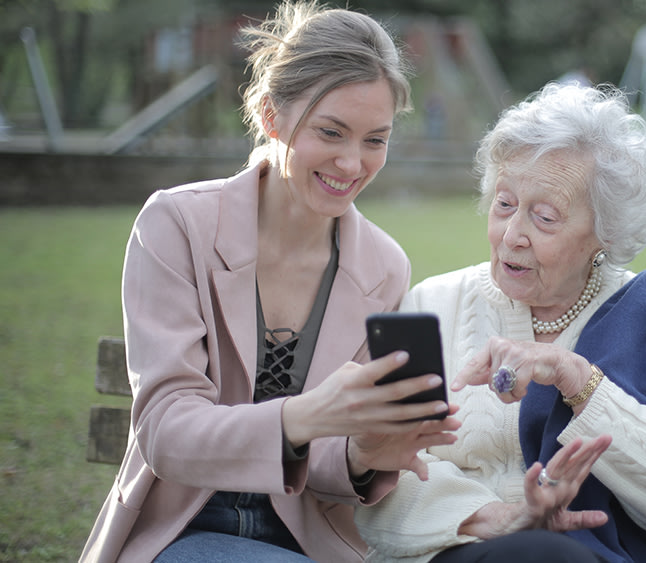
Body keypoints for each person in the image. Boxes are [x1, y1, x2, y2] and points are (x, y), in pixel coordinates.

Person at [81, 3, 459, 561]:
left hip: (309, 541)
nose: (352, 163)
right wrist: (307, 415)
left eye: (375, 140)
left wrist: (365, 450)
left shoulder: (384, 265)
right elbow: (164, 431)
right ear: (269, 115)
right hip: (180, 529)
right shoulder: (176, 225)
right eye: (331, 131)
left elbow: (329, 470)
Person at [355, 83, 646, 562]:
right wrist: (493, 519)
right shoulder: (433, 303)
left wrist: (577, 378)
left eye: (544, 217)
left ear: (606, 232)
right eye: (504, 204)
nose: (512, 235)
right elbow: (378, 468)